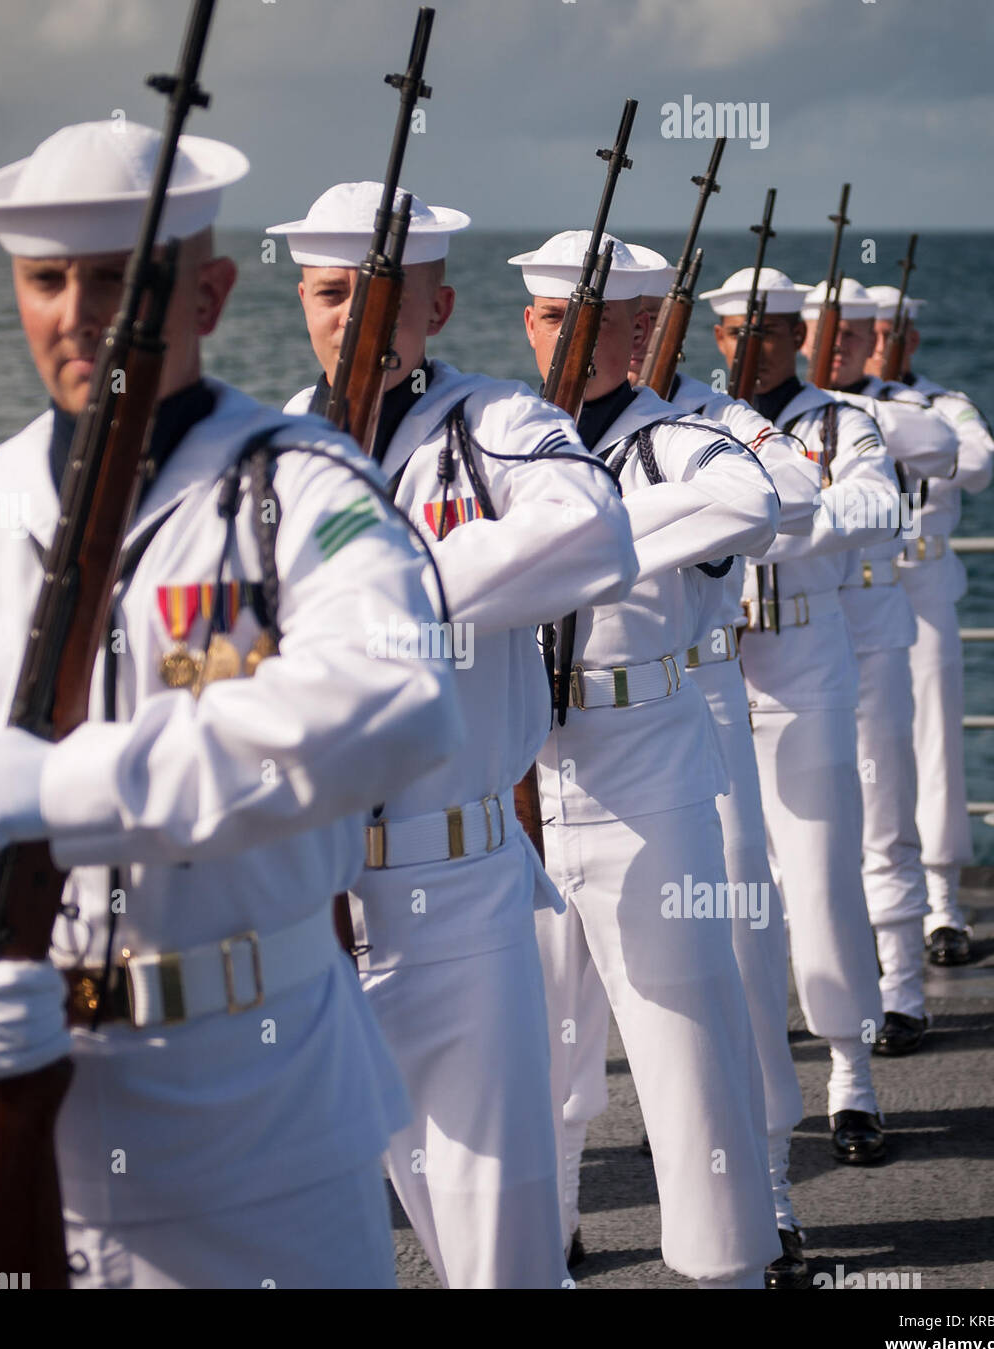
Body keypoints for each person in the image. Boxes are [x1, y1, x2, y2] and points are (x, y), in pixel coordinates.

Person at [0, 119, 465, 1289]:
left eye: (120, 279)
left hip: (258, 1122)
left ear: (206, 292)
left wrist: (77, 788)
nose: (82, 312)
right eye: (48, 280)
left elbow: (395, 695)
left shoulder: (306, 489)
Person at [273, 187, 639, 1288]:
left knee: (500, 1234)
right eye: (329, 293)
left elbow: (594, 533)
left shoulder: (499, 428)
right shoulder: (272, 450)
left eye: (376, 295)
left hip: (459, 878)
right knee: (309, 1224)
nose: (351, 317)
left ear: (433, 303)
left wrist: (395, 583)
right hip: (306, 889)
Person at [512, 229, 780, 1289]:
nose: (565, 339)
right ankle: (548, 1241)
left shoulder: (679, 438)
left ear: (637, 330)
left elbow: (756, 504)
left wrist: (589, 531)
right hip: (527, 769)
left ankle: (728, 1268)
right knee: (535, 1043)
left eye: (593, 321)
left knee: (682, 1045)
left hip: (643, 770)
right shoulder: (507, 440)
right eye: (546, 317)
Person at [622, 244, 823, 1286]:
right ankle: (558, 1212)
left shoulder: (713, 421)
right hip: (563, 723)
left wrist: (620, 533)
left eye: (638, 311)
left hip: (700, 697)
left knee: (739, 944)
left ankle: (770, 1190)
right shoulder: (534, 424)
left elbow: (792, 494)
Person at [703, 266, 900, 1168]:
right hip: (714, 675)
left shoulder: (839, 421)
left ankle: (851, 1071)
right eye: (738, 331)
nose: (754, 346)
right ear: (716, 338)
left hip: (805, 667)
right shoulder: (698, 424)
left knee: (820, 876)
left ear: (800, 336)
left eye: (772, 331)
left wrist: (778, 521)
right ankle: (755, 1085)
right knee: (736, 893)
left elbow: (877, 502)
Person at [800, 278, 958, 1054]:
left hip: (878, 624)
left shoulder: (887, 408)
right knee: (801, 825)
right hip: (804, 633)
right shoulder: (778, 416)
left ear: (876, 339)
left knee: (887, 809)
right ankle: (819, 989)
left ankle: (900, 986)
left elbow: (948, 449)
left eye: (855, 334)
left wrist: (846, 405)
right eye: (826, 333)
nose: (840, 346)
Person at [867, 284, 994, 967]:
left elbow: (976, 462)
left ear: (909, 339)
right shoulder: (839, 408)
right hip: (865, 588)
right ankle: (874, 898)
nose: (876, 341)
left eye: (886, 331)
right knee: (867, 749)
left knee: (935, 740)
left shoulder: (941, 405)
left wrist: (905, 426)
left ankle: (943, 903)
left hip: (925, 589)